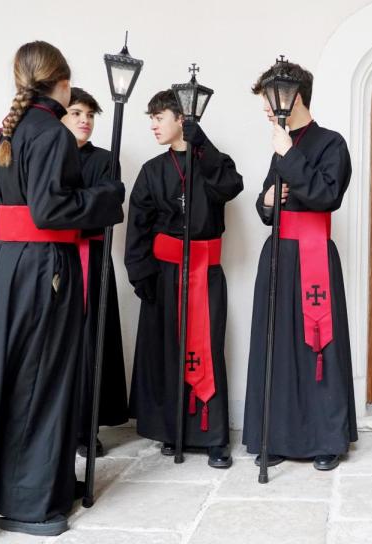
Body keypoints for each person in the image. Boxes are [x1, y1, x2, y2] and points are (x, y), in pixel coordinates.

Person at [0, 41, 125, 536]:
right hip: (45, 265)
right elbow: (50, 211)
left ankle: (24, 484)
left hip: (7, 264)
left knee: (9, 375)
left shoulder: (7, 130)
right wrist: (106, 195)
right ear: (61, 83)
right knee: (41, 379)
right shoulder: (52, 133)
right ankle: (29, 504)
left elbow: (2, 194)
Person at [242, 58, 357, 471]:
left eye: (269, 100)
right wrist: (267, 201)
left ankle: (325, 440)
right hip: (278, 255)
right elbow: (266, 204)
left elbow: (326, 195)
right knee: (276, 346)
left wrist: (289, 155)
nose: (265, 109)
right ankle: (275, 436)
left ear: (294, 97)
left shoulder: (331, 143)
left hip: (314, 255)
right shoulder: (282, 143)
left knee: (318, 344)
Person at [125, 90, 244, 468]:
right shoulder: (151, 170)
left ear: (182, 119)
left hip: (205, 272)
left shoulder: (212, 162)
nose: (153, 125)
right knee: (167, 351)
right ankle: (172, 429)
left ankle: (212, 436)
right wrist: (141, 274)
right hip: (164, 273)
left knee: (207, 348)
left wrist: (202, 144)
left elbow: (231, 186)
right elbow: (138, 227)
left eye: (159, 117)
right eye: (151, 118)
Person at [60, 87, 129, 458]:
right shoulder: (49, 155)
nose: (84, 120)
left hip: (94, 257)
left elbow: (105, 208)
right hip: (56, 255)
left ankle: (87, 427)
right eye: (76, 113)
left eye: (89, 114)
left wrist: (71, 208)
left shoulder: (105, 160)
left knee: (92, 342)